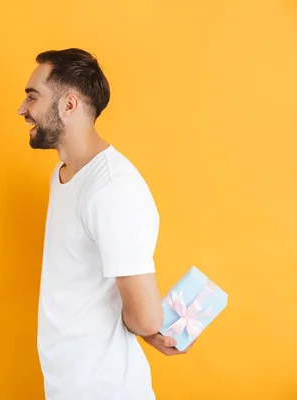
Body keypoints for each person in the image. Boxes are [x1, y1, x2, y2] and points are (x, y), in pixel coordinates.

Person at [17, 48, 189, 400]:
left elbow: (145, 318)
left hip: (105, 389)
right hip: (68, 385)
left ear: (69, 104)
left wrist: (150, 325)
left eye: (32, 97)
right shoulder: (64, 175)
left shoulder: (111, 188)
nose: (22, 109)